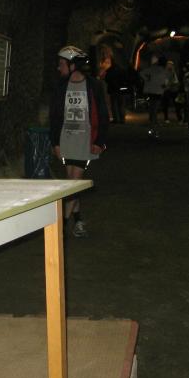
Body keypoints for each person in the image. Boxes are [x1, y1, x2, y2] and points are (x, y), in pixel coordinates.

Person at [49, 45, 108, 237]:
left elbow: (103, 114)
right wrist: (55, 143)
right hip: (66, 141)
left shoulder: (93, 85)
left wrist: (99, 141)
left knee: (74, 183)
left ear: (73, 65)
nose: (59, 67)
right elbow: (54, 116)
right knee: (71, 182)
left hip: (85, 141)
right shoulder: (61, 86)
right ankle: (79, 221)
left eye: (62, 64)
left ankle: (61, 226)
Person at [139, 55, 168, 136]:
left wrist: (147, 80)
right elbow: (165, 82)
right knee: (155, 108)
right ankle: (153, 125)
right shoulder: (164, 71)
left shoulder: (152, 69)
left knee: (152, 108)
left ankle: (152, 123)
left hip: (150, 90)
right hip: (158, 91)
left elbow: (141, 73)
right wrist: (164, 86)